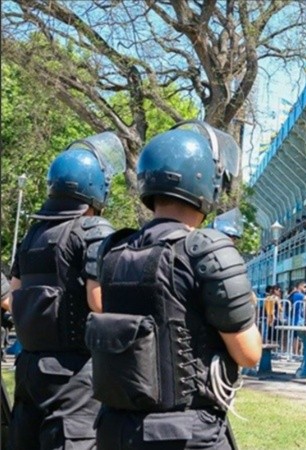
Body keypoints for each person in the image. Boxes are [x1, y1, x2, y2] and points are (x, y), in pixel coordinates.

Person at [86, 120, 262, 449]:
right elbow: (249, 353)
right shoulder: (208, 250)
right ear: (205, 181)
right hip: (186, 434)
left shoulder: (113, 250)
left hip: (116, 431)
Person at [7, 133, 122, 450]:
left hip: (28, 369)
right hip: (73, 375)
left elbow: (13, 297)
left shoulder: (32, 235)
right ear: (95, 189)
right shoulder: (93, 229)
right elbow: (99, 303)